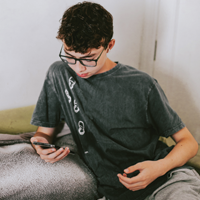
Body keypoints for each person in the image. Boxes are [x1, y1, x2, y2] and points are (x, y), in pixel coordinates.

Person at [30, 2, 200, 200]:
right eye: (69, 56)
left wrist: (158, 168)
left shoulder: (142, 85)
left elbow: (189, 143)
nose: (79, 68)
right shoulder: (58, 74)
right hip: (113, 192)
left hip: (164, 180)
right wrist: (40, 145)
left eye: (89, 58)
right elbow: (43, 133)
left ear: (109, 46)